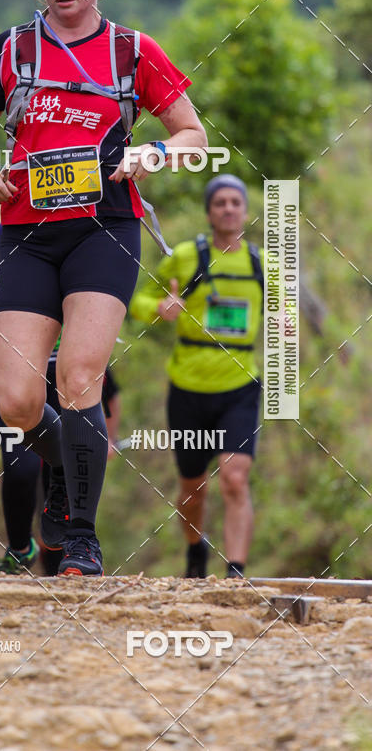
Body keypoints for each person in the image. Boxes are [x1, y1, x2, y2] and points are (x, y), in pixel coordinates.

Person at [0, 0, 206, 576]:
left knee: (81, 377)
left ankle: (80, 540)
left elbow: (192, 134)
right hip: (26, 234)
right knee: (16, 400)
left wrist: (153, 151)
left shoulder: (131, 51)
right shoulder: (13, 48)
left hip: (105, 230)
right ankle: (67, 475)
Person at [129, 175, 263, 579]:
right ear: (209, 211)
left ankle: (236, 572)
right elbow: (135, 300)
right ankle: (194, 553)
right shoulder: (186, 257)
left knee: (235, 477)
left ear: (244, 211)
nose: (227, 209)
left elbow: (283, 316)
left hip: (239, 386)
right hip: (187, 387)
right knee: (193, 487)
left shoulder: (262, 264)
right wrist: (160, 307)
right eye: (219, 202)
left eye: (234, 203)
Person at [0, 222, 122, 576]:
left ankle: (65, 565)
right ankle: (20, 549)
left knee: (59, 480)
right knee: (20, 471)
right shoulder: (3, 234)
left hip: (68, 375)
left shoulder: (91, 231)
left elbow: (111, 392)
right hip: (22, 375)